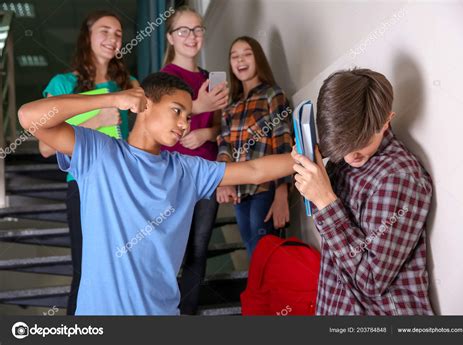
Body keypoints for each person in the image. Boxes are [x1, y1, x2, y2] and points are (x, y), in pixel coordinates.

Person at [18, 72, 294, 315]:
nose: (185, 124)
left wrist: (311, 157)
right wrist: (112, 99)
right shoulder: (98, 153)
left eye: (188, 116)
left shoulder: (187, 170)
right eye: (176, 111)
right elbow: (29, 117)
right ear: (145, 104)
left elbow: (255, 170)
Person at [291, 68, 434, 315]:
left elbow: (371, 280)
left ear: (387, 119)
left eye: (362, 143)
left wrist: (325, 200)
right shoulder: (343, 157)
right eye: (344, 145)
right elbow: (335, 239)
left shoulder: (397, 179)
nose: (351, 155)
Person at [38, 10, 139, 315]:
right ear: (88, 37)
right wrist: (96, 119)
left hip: (122, 186)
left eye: (118, 33)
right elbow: (45, 146)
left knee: (123, 270)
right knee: (85, 270)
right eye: (105, 31)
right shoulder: (62, 84)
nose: (113, 38)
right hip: (83, 187)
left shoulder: (129, 83)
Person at [161, 6, 229, 315]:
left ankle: (185, 313)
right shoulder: (163, 79)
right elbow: (160, 130)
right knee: (168, 249)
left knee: (198, 249)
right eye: (184, 31)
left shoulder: (209, 78)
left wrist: (206, 135)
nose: (192, 36)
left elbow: (222, 129)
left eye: (198, 29)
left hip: (207, 172)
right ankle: (159, 308)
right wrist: (197, 105)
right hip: (173, 175)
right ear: (171, 38)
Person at [217, 36, 293, 257]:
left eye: (247, 54)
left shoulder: (272, 94)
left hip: (265, 188)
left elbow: (282, 142)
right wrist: (224, 181)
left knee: (265, 253)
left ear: (258, 58)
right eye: (234, 56)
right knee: (254, 256)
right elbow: (224, 146)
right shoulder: (230, 107)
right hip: (241, 191)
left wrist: (281, 194)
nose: (240, 60)